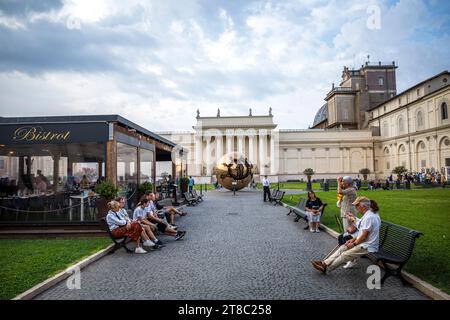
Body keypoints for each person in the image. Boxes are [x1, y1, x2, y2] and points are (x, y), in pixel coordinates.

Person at [311, 196, 381, 274]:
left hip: (368, 245)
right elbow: (362, 230)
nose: (355, 207)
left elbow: (364, 236)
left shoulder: (369, 217)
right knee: (343, 248)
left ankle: (326, 268)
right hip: (363, 242)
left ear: (363, 206)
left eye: (357, 205)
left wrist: (354, 243)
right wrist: (352, 240)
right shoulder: (368, 215)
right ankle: (324, 263)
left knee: (345, 254)